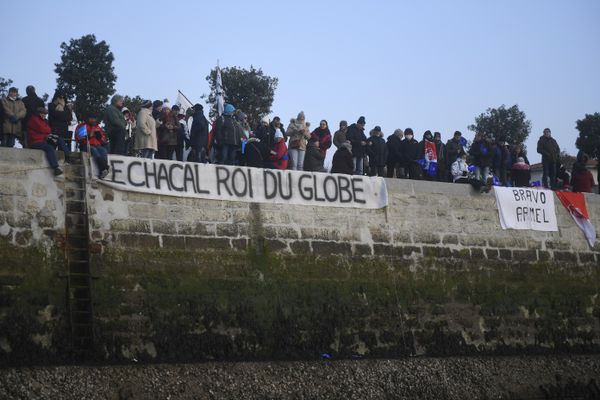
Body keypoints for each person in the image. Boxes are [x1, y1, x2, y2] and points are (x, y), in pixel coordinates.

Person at [27, 107, 70, 176]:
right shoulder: (34, 119)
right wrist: (46, 130)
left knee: (59, 139)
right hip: (35, 141)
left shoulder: (44, 121)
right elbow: (42, 128)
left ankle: (67, 156)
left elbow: (48, 129)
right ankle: (55, 168)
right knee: (49, 148)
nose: (44, 115)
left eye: (45, 114)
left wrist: (46, 131)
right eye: (42, 113)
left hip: (43, 139)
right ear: (39, 113)